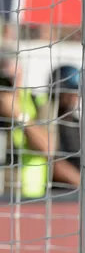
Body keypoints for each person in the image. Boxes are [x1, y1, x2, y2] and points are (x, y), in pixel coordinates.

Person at [0, 53, 57, 198]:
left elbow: (48, 148)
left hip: (32, 196)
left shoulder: (38, 102)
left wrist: (18, 115)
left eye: (11, 77)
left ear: (20, 71)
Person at [47, 65, 85, 190]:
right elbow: (55, 166)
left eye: (77, 91)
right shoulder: (50, 121)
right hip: (61, 196)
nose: (75, 96)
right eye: (70, 91)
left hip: (80, 192)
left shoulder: (76, 122)